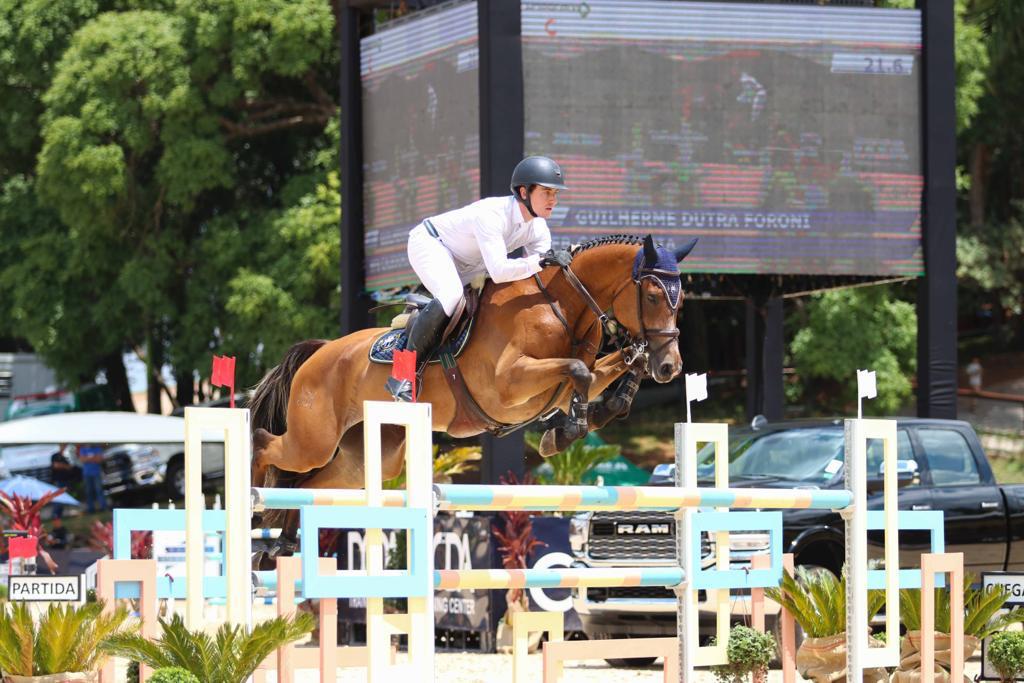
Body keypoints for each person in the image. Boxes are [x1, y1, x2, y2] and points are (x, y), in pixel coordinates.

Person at [385, 156, 572, 401]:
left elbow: (539, 274)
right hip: (431, 244)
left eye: (555, 193)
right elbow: (501, 270)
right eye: (547, 192)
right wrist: (540, 261)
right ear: (524, 191)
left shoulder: (538, 227)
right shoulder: (492, 215)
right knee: (451, 295)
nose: (553, 200)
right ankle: (401, 376)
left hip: (471, 264)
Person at [49, 444, 76, 519]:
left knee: (65, 499)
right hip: (58, 481)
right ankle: (55, 516)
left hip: (67, 480)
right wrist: (65, 466)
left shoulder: (68, 456)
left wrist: (63, 465)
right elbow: (56, 465)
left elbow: (71, 466)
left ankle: (60, 516)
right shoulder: (55, 456)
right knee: (58, 500)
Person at [78, 445, 106, 513]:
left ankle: (103, 507)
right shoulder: (83, 449)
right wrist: (94, 458)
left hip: (96, 473)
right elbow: (82, 460)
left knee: (99, 490)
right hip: (87, 474)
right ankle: (91, 508)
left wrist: (87, 458)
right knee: (89, 492)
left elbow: (99, 459)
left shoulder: (97, 448)